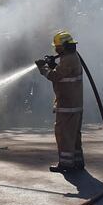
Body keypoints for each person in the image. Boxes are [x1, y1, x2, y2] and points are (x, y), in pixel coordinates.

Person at [35, 29, 84, 173]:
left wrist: (43, 68)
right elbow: (63, 73)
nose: (56, 49)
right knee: (73, 135)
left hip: (67, 105)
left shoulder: (68, 59)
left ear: (64, 46)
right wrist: (53, 65)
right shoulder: (72, 57)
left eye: (57, 47)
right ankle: (77, 162)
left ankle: (66, 164)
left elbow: (55, 76)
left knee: (64, 134)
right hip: (73, 104)